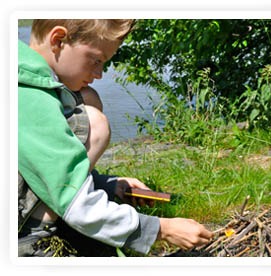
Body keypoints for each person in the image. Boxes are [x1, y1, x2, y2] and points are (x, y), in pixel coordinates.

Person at [18, 19, 213, 257]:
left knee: (87, 98)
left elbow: (36, 164)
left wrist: (106, 185)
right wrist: (161, 229)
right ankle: (34, 235)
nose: (100, 74)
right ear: (58, 40)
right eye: (96, 60)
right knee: (94, 122)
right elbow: (68, 195)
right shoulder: (30, 98)